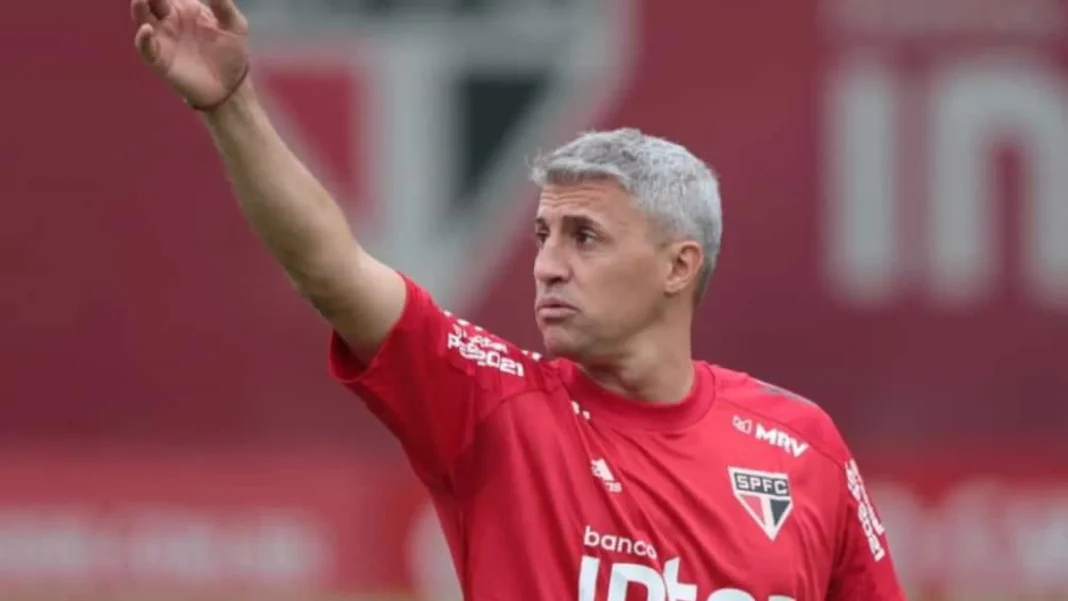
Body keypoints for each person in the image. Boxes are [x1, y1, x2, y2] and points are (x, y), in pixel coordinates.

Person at [131, 0, 908, 599]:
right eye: (543, 234)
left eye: (584, 236)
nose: (548, 265)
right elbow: (332, 269)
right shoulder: (492, 405)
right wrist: (231, 104)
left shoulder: (803, 446)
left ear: (679, 266)